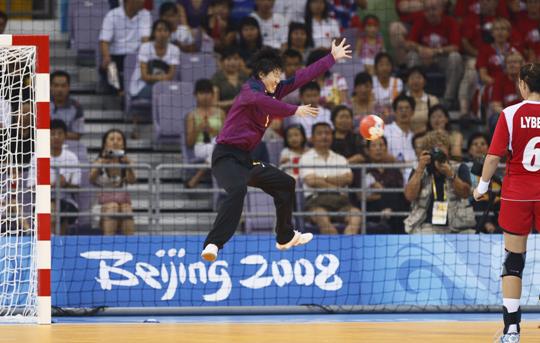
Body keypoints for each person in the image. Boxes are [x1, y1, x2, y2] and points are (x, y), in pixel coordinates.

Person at [200, 38, 352, 262]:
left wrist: (331, 58)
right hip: (225, 156)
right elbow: (265, 104)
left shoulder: (275, 90)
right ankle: (213, 243)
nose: (279, 79)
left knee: (286, 183)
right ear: (262, 75)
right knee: (238, 190)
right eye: (275, 75)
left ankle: (284, 236)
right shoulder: (249, 92)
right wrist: (295, 109)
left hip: (244, 159)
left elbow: (302, 76)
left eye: (280, 74)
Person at [473, 63, 540, 343]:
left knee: (513, 261)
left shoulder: (510, 114)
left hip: (518, 193)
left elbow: (492, 157)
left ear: (524, 83)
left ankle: (512, 330)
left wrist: (482, 187)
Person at [404, 130, 475, 234]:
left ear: (448, 149)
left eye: (441, 145)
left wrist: (450, 174)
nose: (437, 149)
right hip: (426, 225)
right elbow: (409, 196)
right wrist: (420, 169)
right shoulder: (420, 169)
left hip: (458, 225)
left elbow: (465, 193)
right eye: (432, 146)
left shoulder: (459, 167)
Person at [299, 122, 361, 234]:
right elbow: (311, 181)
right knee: (322, 218)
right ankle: (334, 248)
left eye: (327, 133)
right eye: (320, 133)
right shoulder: (305, 158)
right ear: (312, 138)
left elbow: (348, 178)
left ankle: (347, 246)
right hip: (316, 201)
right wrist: (336, 184)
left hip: (341, 201)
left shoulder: (340, 159)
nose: (324, 136)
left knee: (356, 215)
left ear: (332, 137)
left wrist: (323, 179)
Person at [405, 0, 463, 108]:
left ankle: (448, 98)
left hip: (442, 58)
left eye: (434, 9)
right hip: (423, 58)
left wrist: (435, 52)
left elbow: (455, 47)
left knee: (456, 57)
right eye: (427, 10)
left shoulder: (450, 22)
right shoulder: (420, 20)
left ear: (441, 9)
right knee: (412, 56)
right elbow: (408, 43)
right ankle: (413, 95)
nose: (431, 13)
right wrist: (421, 49)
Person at [89, 129, 136, 235]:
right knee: (113, 207)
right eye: (112, 139)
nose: (115, 142)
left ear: (123, 145)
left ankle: (131, 246)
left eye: (119, 139)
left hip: (122, 204)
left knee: (126, 208)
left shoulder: (127, 162)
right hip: (101, 206)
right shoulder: (98, 162)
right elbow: (91, 178)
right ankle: (108, 243)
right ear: (105, 144)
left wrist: (129, 166)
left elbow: (132, 180)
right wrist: (102, 161)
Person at [99, 0, 152, 93]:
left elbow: (145, 41)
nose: (144, 1)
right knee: (110, 66)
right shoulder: (112, 15)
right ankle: (118, 90)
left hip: (136, 58)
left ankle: (133, 91)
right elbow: (104, 41)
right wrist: (106, 57)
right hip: (116, 56)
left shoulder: (146, 15)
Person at [185, 79, 226, 188]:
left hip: (217, 145)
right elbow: (189, 143)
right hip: (200, 147)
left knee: (220, 147)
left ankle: (199, 174)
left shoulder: (220, 113)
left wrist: (213, 131)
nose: (205, 96)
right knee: (221, 149)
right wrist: (198, 129)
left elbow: (226, 136)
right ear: (195, 95)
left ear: (212, 94)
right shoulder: (192, 115)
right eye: (202, 93)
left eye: (208, 93)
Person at [364, 136, 407, 234]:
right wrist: (385, 195)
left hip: (395, 211)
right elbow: (361, 196)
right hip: (372, 209)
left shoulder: (394, 170)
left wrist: (380, 193)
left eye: (381, 145)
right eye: (374, 145)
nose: (378, 148)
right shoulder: (363, 169)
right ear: (367, 150)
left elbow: (400, 193)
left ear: (386, 148)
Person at [49, 120, 81, 235]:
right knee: (51, 206)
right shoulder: (38, 157)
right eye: (52, 133)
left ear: (65, 136)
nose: (56, 137)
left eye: (59, 133)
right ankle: (51, 240)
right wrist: (52, 184)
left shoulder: (72, 157)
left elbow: (77, 187)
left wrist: (65, 184)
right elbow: (31, 188)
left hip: (67, 201)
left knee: (62, 208)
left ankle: (59, 240)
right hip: (44, 200)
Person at [50, 70, 85, 140]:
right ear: (50, 87)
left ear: (69, 87)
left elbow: (77, 135)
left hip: (69, 146)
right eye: (56, 85)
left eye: (63, 86)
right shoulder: (40, 104)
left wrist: (55, 135)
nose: (59, 89)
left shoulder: (77, 107)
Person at [403, 66, 438, 134]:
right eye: (412, 78)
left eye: (419, 78)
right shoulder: (402, 101)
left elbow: (437, 122)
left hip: (428, 137)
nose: (416, 81)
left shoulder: (432, 100)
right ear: (407, 81)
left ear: (425, 81)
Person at [212, 47, 249, 111]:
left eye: (235, 59)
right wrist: (233, 102)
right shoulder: (216, 78)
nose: (232, 62)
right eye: (228, 59)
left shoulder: (245, 77)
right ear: (222, 62)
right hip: (224, 115)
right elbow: (214, 104)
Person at [372, 52, 403, 120]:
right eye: (381, 65)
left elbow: (398, 104)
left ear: (392, 67)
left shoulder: (398, 82)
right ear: (376, 67)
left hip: (394, 117)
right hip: (375, 117)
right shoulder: (371, 82)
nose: (385, 68)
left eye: (387, 64)